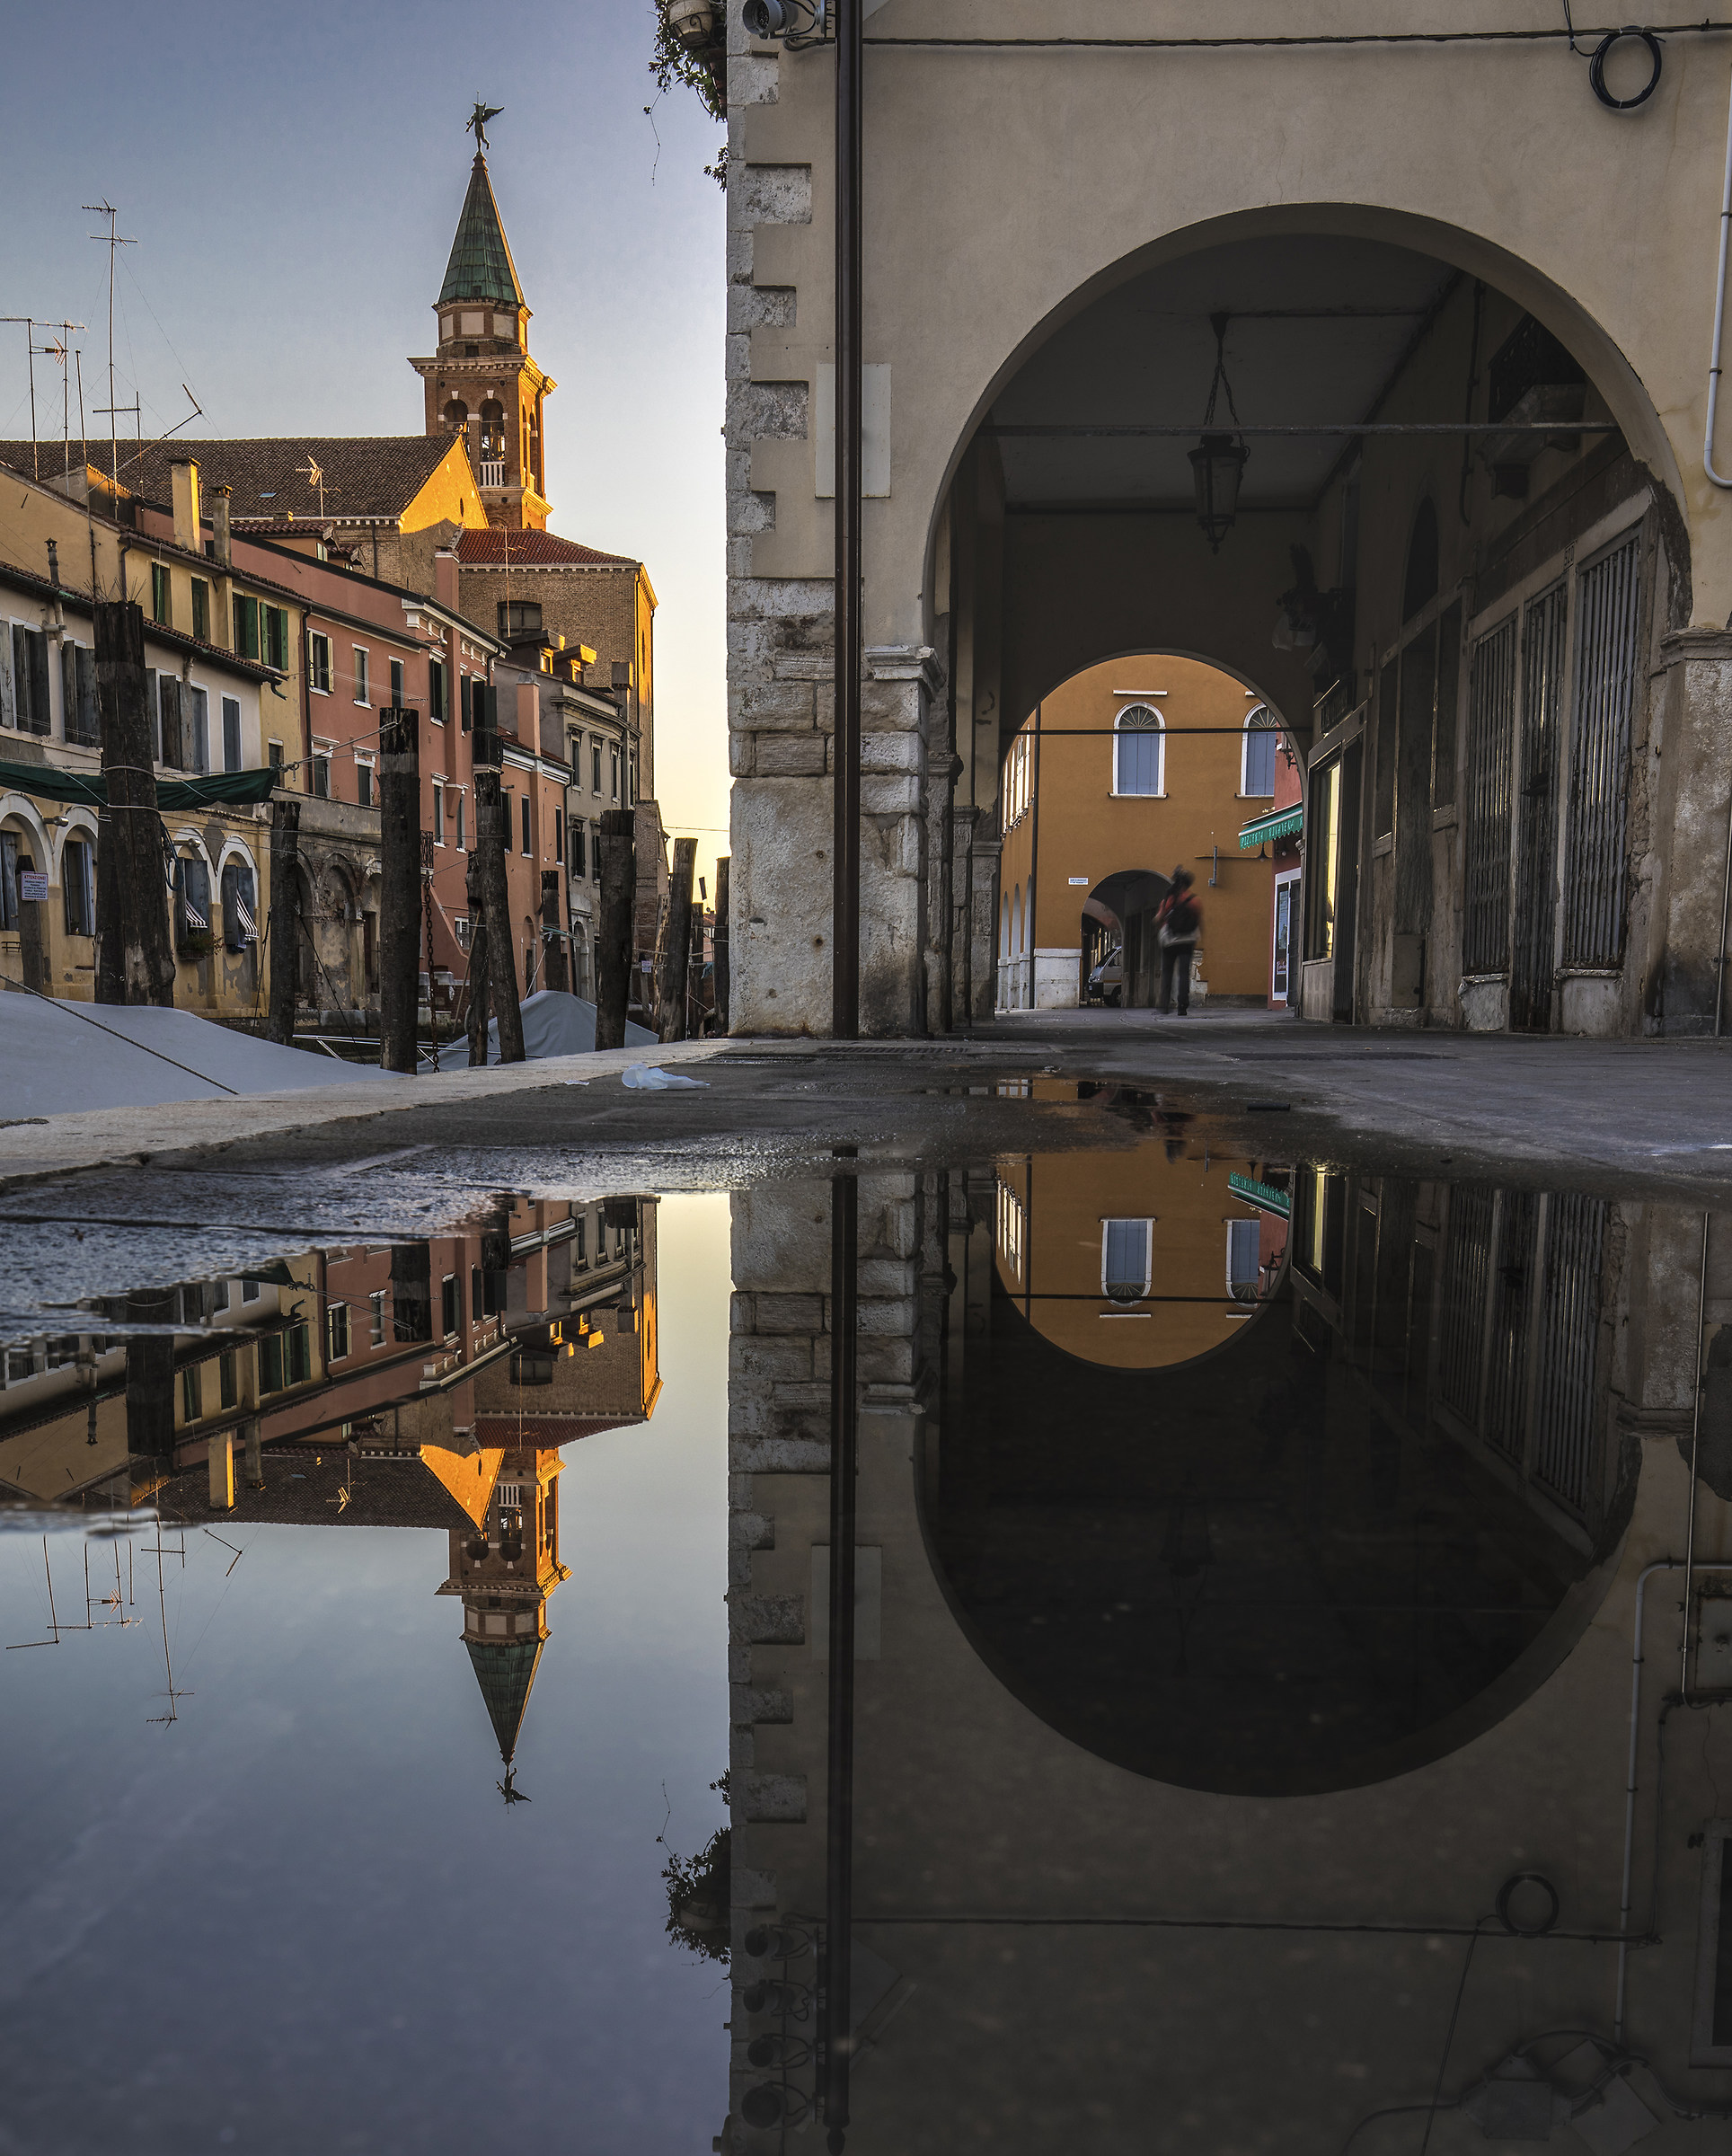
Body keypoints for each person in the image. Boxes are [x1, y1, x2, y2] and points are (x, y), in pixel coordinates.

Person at [1155, 869, 1202, 1015]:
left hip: (1170, 941)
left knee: (1167, 972)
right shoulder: (1194, 900)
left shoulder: (1169, 900)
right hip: (1187, 940)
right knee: (1183, 973)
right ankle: (1182, 1006)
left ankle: (1165, 1004)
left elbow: (1158, 918)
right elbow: (1198, 920)